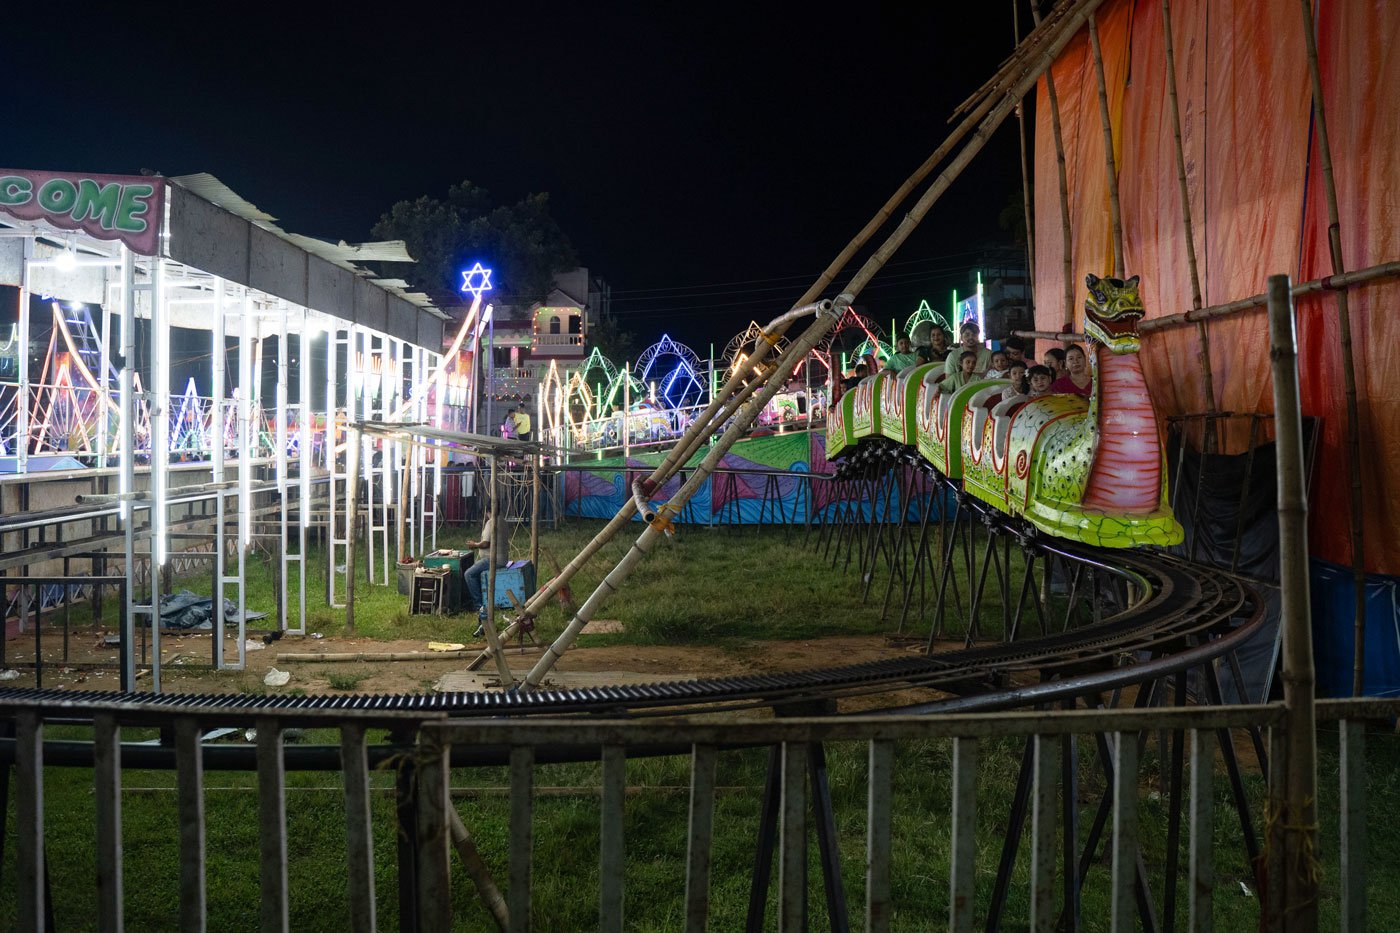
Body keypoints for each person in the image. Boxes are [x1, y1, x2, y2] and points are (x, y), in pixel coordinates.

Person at [465, 507, 512, 612]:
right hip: (503, 559)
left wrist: (474, 544)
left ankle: (479, 605)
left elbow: (486, 543)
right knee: (476, 570)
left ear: (488, 512)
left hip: (492, 559)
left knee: (469, 574)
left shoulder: (491, 523)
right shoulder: (503, 521)